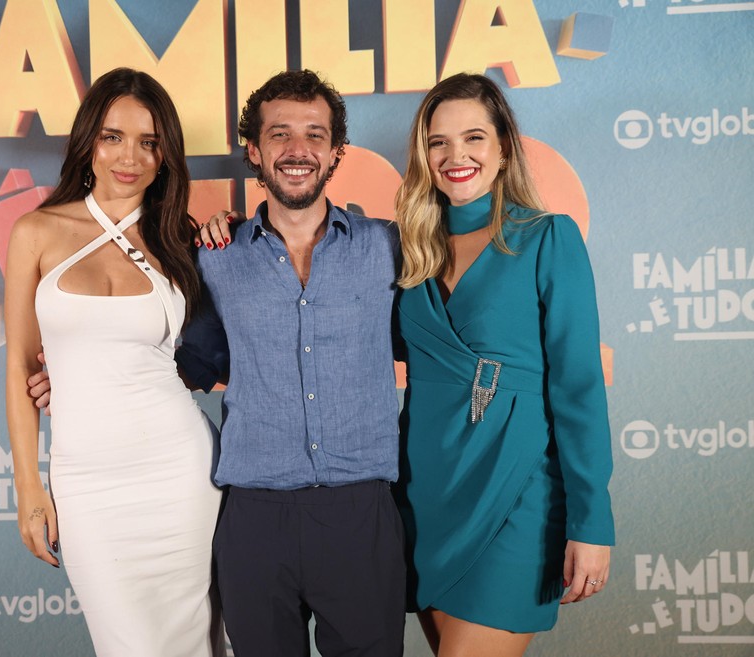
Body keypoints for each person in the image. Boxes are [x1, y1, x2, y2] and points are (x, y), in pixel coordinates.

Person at [177, 69, 407, 657]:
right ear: (254, 150)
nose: (297, 149)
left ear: (335, 153)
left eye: (314, 134)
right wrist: (78, 378)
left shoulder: (388, 247)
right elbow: (185, 365)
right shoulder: (215, 260)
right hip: (254, 518)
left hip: (361, 512)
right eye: (280, 134)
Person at [392, 72, 614, 656]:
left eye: (474, 138)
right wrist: (231, 232)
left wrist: (591, 523)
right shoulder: (407, 250)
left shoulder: (548, 239)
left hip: (516, 496)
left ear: (503, 149)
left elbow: (579, 389)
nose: (455, 155)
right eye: (438, 142)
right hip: (427, 497)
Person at [4, 67, 222, 657]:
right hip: (87, 482)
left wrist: (225, 233)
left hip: (180, 471)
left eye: (149, 142)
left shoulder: (182, 236)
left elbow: (223, 341)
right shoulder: (34, 231)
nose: (131, 156)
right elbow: (20, 368)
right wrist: (29, 486)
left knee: (202, 640)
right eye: (113, 137)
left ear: (165, 154)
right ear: (88, 144)